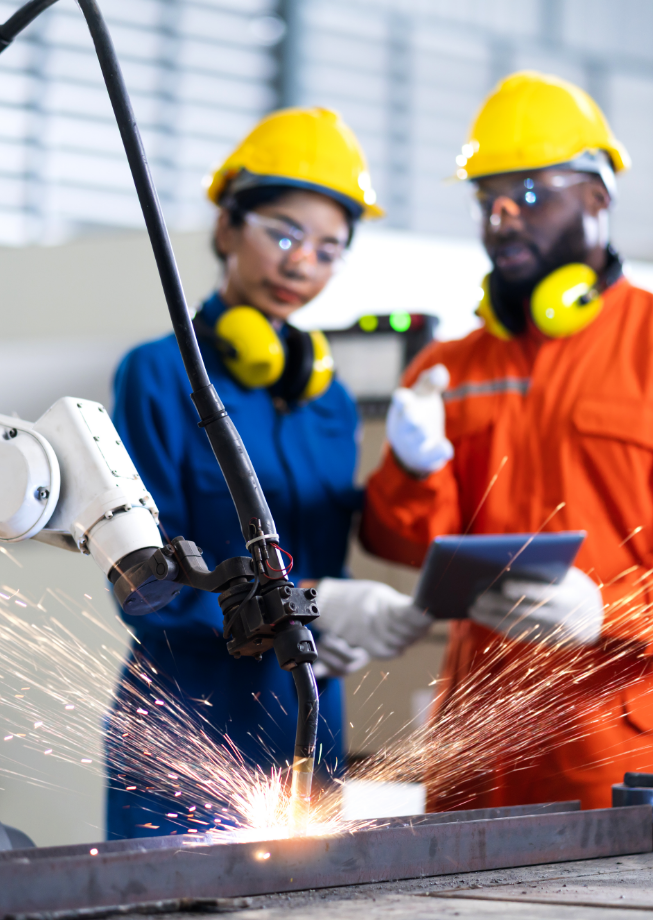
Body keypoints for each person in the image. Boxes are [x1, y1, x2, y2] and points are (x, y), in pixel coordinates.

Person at [346, 72, 653, 811]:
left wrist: (610, 610)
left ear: (598, 196)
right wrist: (414, 471)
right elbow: (404, 542)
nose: (502, 220)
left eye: (529, 195)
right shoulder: (447, 369)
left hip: (626, 743)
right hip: (477, 743)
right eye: (487, 200)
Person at [108, 107, 397, 838]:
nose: (304, 264)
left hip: (304, 723)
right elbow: (145, 579)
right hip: (186, 723)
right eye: (284, 233)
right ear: (227, 227)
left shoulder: (326, 400)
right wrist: (295, 609)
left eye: (330, 249)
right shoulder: (158, 376)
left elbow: (330, 561)